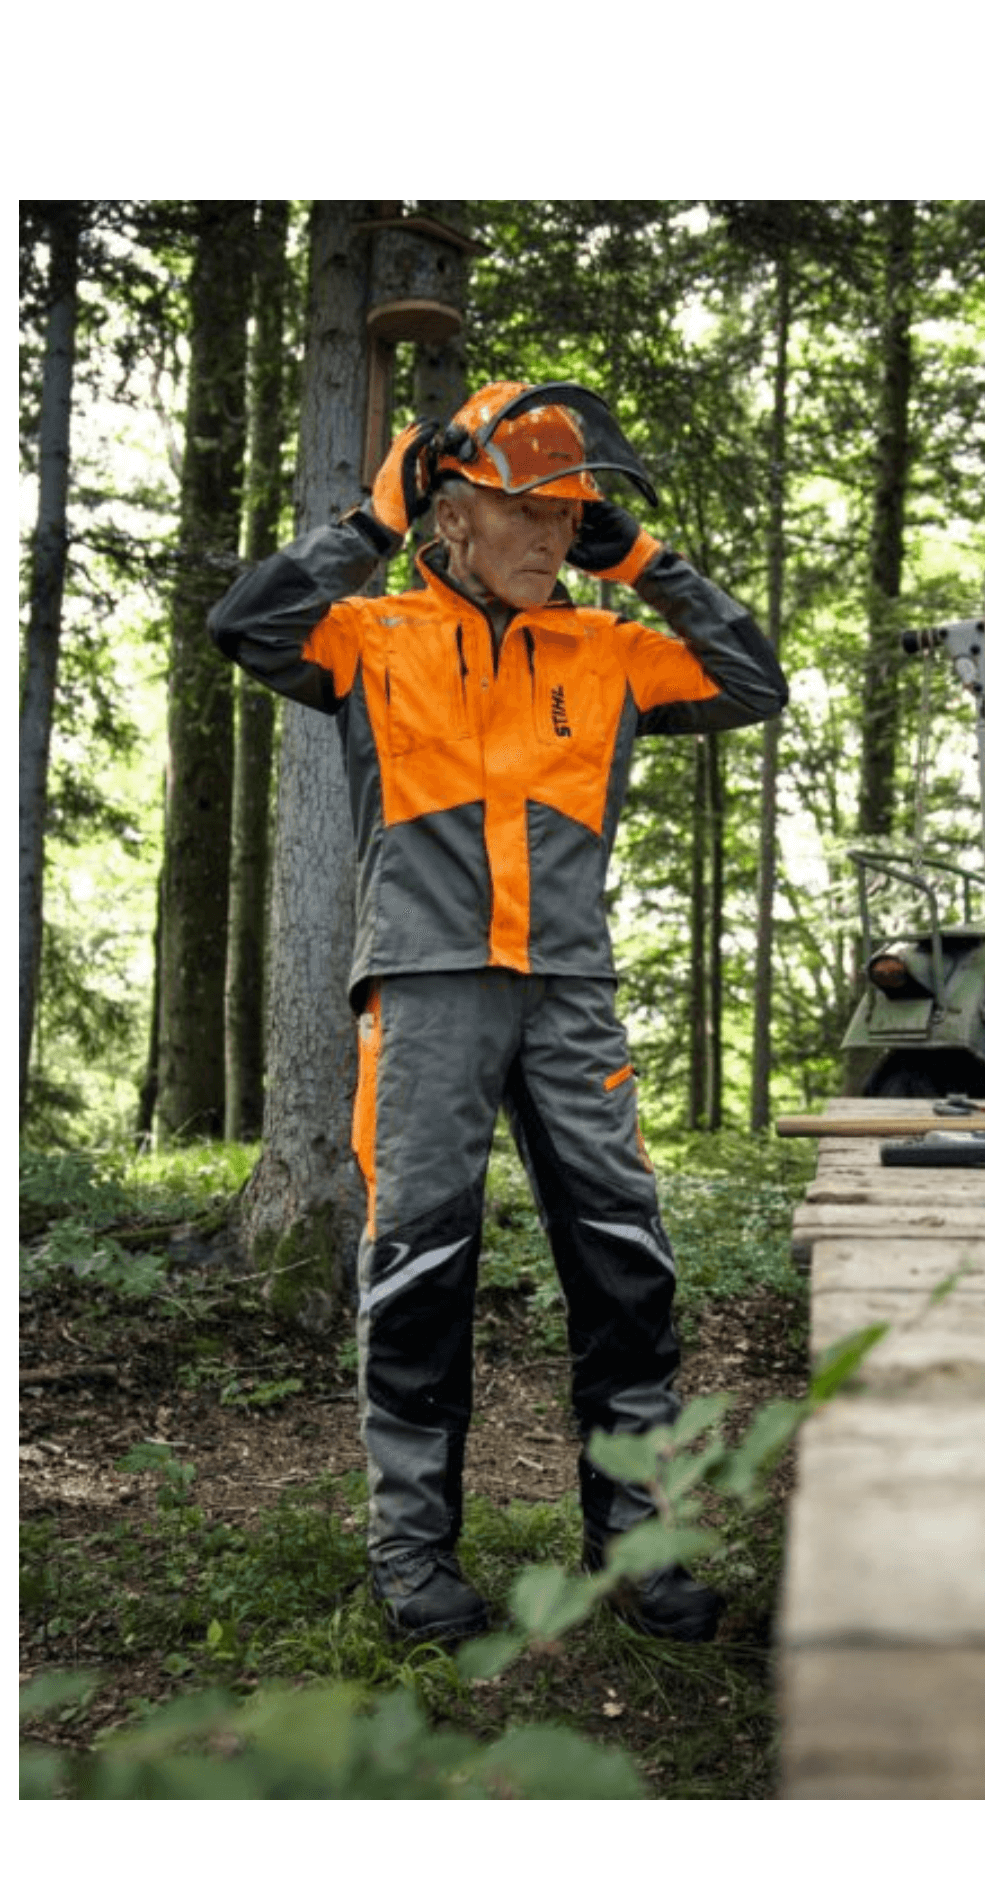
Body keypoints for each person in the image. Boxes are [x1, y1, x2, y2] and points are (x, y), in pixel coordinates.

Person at [209, 380, 788, 1646]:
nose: (551, 538)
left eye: (571, 518)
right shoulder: (369, 635)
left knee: (627, 1264)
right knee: (417, 1265)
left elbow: (753, 680)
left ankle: (636, 1551)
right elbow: (249, 625)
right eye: (530, 513)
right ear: (451, 514)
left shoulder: (611, 648)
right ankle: (414, 1558)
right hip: (424, 991)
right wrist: (368, 517)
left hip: (570, 992)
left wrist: (640, 558)